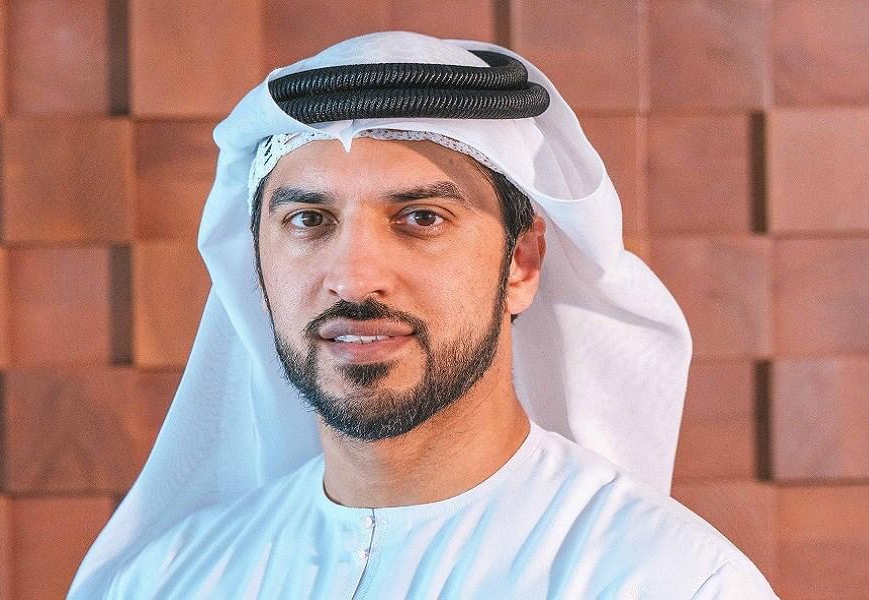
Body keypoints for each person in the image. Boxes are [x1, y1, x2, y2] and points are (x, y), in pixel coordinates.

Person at [69, 31, 780, 599]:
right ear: (257, 267)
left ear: (522, 263)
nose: (354, 278)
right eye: (309, 220)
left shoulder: (667, 581)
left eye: (420, 217)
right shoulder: (168, 581)